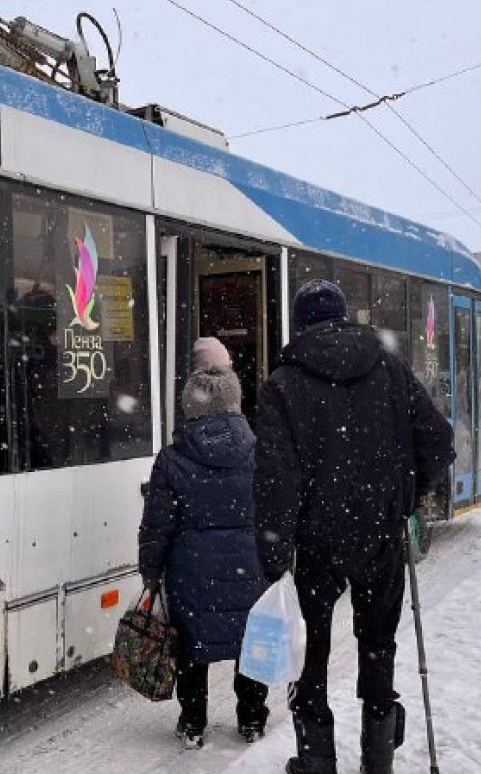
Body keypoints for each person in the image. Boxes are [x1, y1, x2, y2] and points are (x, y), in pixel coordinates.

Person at [254, 280, 455, 774]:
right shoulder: (389, 368)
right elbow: (439, 441)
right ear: (344, 318)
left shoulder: (282, 383)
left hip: (316, 544)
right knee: (378, 645)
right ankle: (378, 758)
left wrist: (273, 554)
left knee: (311, 656)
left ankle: (317, 762)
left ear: (301, 324)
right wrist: (412, 492)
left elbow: (277, 479)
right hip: (381, 537)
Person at [138, 339, 269, 750]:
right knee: (249, 642)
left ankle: (193, 721)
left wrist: (151, 572)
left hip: (190, 572)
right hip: (250, 567)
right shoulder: (259, 451)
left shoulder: (172, 459)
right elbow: (276, 512)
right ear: (236, 401)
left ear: (189, 404)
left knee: (191, 645)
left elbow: (156, 525)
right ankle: (250, 718)